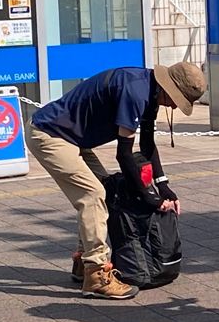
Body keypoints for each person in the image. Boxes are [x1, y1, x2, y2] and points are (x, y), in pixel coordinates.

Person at [28, 61, 207, 299]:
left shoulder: (149, 89)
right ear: (168, 87)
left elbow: (147, 145)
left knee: (106, 190)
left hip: (71, 138)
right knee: (93, 195)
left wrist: (163, 186)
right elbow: (124, 154)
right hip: (49, 135)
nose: (175, 106)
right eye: (177, 100)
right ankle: (96, 275)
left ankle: (83, 262)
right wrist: (150, 197)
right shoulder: (135, 91)